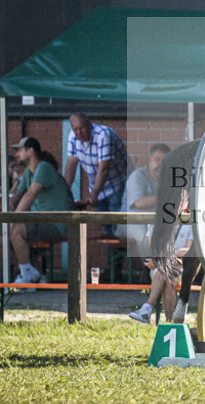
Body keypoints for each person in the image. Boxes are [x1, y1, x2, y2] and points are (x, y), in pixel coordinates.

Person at [9, 136, 74, 284]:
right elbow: (18, 195)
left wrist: (12, 219)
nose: (16, 154)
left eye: (19, 150)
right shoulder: (28, 173)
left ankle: (27, 279)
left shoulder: (44, 167)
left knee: (16, 230)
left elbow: (30, 194)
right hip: (41, 222)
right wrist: (11, 203)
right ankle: (33, 273)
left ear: (30, 151)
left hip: (56, 224)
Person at [63, 112, 132, 234]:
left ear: (89, 124)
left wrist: (93, 195)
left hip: (117, 184)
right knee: (106, 229)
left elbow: (104, 168)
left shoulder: (103, 135)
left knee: (118, 229)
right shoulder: (72, 137)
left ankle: (120, 252)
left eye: (82, 128)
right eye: (75, 129)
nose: (79, 133)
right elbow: (70, 167)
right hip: (98, 187)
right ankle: (112, 253)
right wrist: (63, 193)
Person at [129, 224, 192, 324]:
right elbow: (153, 249)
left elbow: (190, 250)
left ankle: (147, 309)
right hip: (161, 267)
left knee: (166, 273)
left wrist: (163, 258)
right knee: (167, 274)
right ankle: (170, 322)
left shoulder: (188, 223)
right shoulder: (156, 222)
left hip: (178, 267)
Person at [117, 143, 171, 254]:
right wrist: (165, 196)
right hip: (130, 222)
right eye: (158, 159)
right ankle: (148, 269)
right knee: (145, 238)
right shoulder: (137, 176)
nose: (161, 163)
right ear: (149, 160)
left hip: (152, 222)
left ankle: (164, 269)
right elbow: (139, 203)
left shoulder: (167, 179)